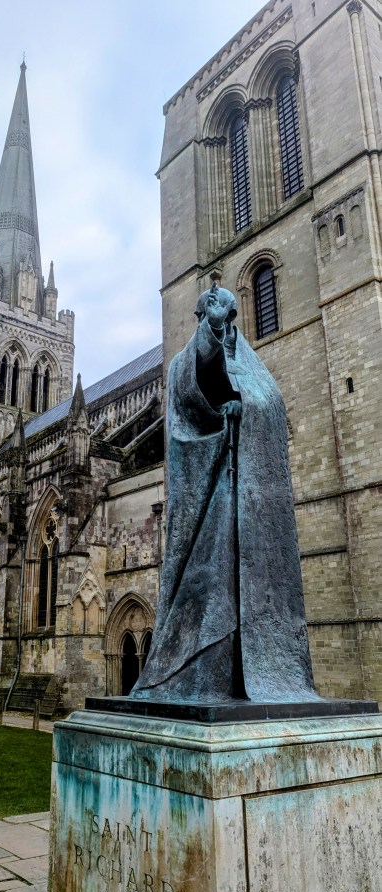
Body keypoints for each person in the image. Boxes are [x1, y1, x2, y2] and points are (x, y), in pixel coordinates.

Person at [131, 284, 318, 704]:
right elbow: (187, 386)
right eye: (204, 314)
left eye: (220, 314)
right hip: (213, 485)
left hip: (249, 498)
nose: (210, 319)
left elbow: (269, 402)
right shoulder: (188, 359)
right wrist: (210, 342)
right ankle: (199, 674)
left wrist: (244, 408)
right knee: (207, 581)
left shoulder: (254, 369)